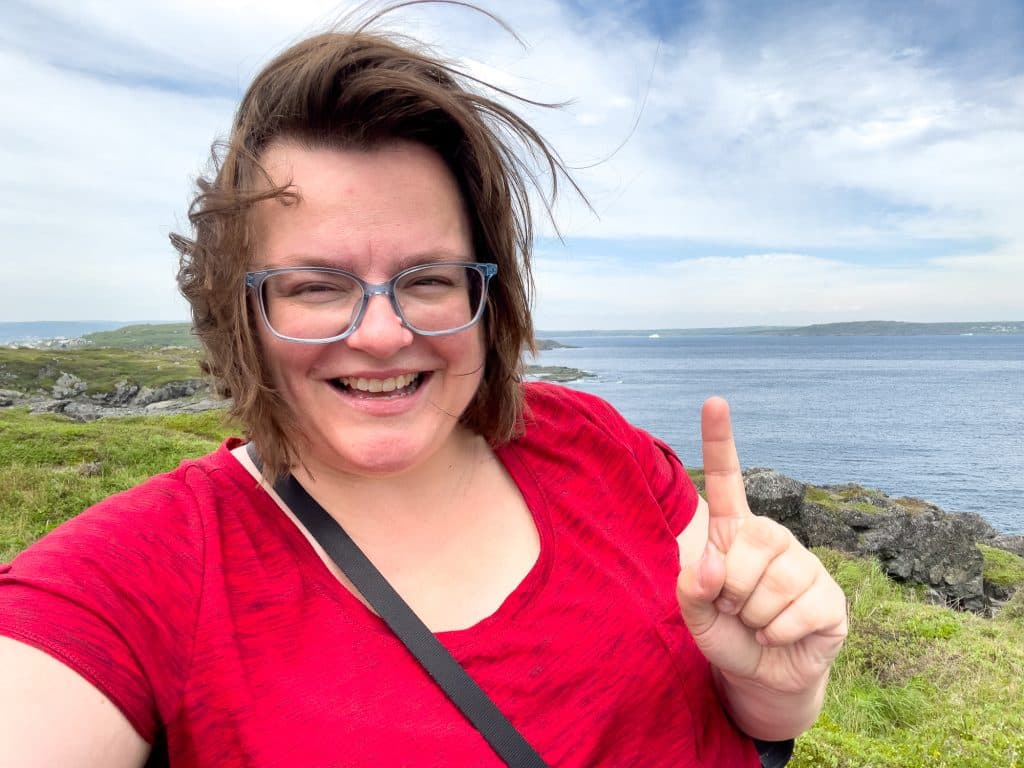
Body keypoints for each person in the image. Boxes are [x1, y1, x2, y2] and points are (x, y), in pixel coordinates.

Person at [0, 7, 847, 767]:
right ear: (240, 312)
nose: (381, 333)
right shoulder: (142, 576)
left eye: (429, 279)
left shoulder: (595, 444)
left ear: (488, 295)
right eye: (315, 286)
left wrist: (777, 690)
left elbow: (745, 715)